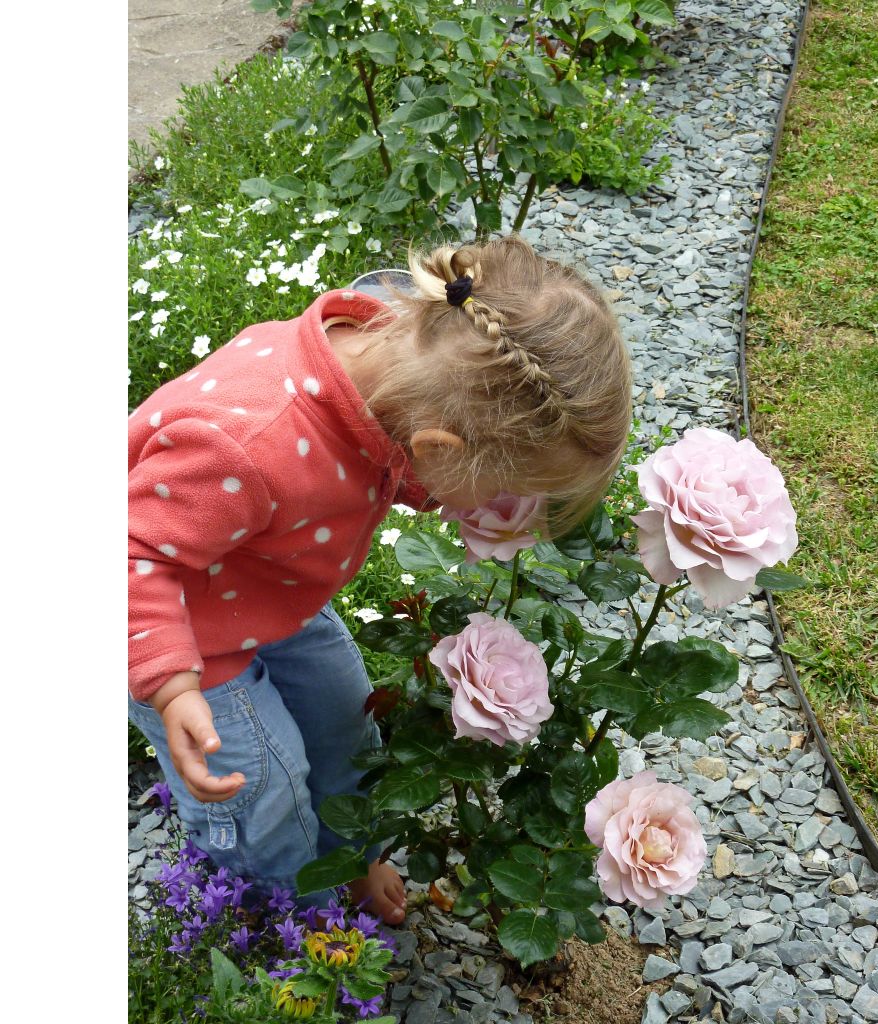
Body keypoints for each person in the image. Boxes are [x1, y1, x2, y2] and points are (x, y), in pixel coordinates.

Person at [128, 234, 633, 927]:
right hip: (174, 616)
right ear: (436, 449)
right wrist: (169, 682)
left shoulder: (399, 366)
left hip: (262, 581)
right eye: (500, 488)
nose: (497, 505)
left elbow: (384, 463)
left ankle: (347, 855)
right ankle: (290, 917)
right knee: (259, 786)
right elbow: (127, 552)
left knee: (348, 729)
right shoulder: (247, 445)